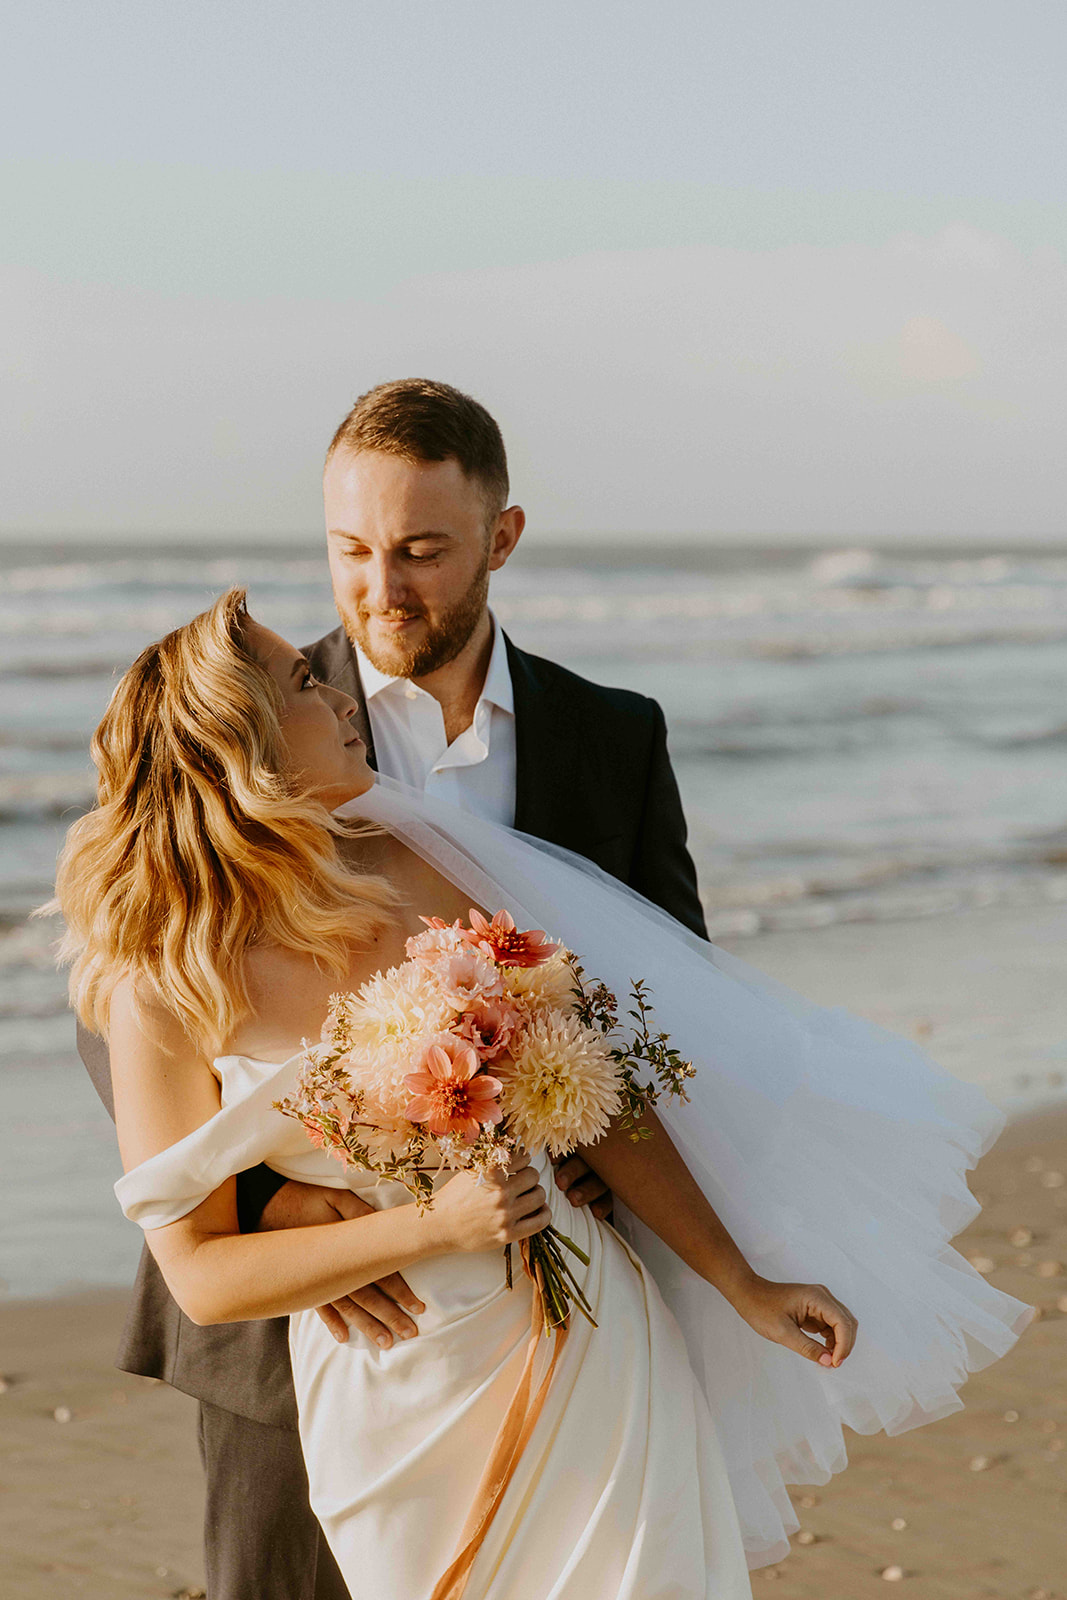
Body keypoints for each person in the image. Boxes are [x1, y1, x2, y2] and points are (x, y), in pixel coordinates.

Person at [56, 589, 1031, 1598]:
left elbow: (597, 1095)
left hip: (585, 1329)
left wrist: (743, 1283)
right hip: (394, 1387)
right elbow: (203, 1276)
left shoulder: (418, 866)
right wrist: (430, 1227)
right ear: (240, 745)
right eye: (304, 684)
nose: (338, 694)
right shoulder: (162, 985)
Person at [75, 379, 714, 1599]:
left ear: (500, 539)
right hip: (304, 1322)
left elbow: (662, 981)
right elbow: (134, 983)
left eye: (419, 551)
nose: (379, 589)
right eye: (351, 550)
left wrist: (584, 1130)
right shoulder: (238, 705)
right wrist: (277, 1200)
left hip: (547, 1290)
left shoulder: (611, 735)